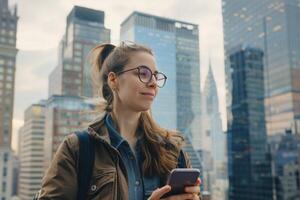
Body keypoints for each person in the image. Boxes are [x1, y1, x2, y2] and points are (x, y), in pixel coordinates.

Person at [37, 41, 201, 200]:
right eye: (143, 74)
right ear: (113, 80)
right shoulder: (77, 148)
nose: (153, 83)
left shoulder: (172, 151)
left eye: (156, 76)